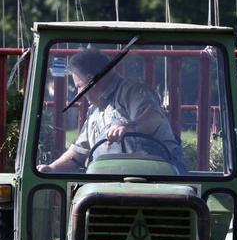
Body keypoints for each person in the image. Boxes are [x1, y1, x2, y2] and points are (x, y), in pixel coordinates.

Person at [41, 48, 186, 173]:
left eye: (79, 86)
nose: (79, 94)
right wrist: (52, 168)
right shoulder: (94, 112)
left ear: (91, 80)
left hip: (159, 176)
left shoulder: (132, 92)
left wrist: (129, 128)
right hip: (114, 180)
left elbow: (154, 118)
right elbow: (78, 152)